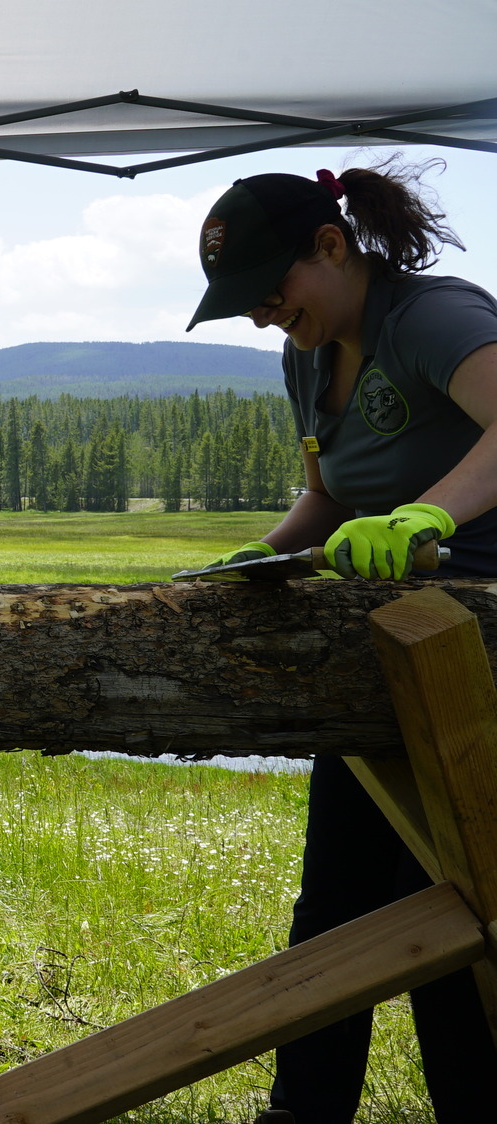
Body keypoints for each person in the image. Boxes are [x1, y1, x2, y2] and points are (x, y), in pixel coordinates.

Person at [185, 160, 497, 1124]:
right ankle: (302, 1112)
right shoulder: (306, 353)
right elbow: (328, 494)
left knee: (442, 913)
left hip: (476, 646)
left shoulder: (431, 317)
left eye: (269, 291)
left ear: (331, 247)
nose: (260, 315)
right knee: (332, 904)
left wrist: (424, 519)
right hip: (377, 644)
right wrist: (268, 551)